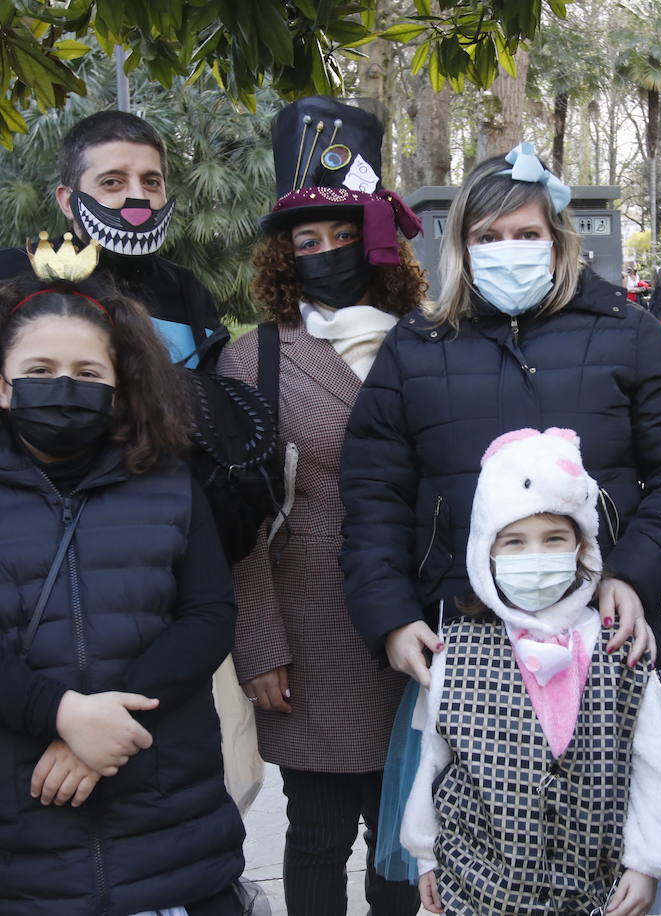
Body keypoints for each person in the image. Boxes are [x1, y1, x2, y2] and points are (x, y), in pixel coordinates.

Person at [0, 249, 246, 915]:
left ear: (120, 385)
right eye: (40, 371)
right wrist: (63, 715)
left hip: (167, 825)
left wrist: (105, 732)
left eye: (87, 372)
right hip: (13, 845)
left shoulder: (172, 487)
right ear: (2, 386)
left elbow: (208, 617)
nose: (64, 385)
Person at [339, 140, 661, 688]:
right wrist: (391, 616)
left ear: (557, 240)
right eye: (486, 238)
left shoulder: (627, 333)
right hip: (458, 631)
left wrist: (634, 574)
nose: (506, 249)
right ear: (462, 249)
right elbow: (374, 494)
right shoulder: (416, 347)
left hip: (603, 626)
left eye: (526, 234)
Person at [218, 96, 425, 916]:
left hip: (423, 624)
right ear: (283, 256)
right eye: (309, 241)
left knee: (406, 835)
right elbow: (240, 518)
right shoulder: (254, 359)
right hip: (309, 634)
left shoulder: (433, 337)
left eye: (346, 235)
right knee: (317, 834)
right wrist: (260, 642)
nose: (329, 253)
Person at [0, 110, 227, 551]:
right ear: (68, 200)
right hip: (10, 545)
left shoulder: (188, 295)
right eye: (112, 182)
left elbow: (205, 438)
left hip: (143, 549)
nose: (136, 198)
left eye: (151, 181)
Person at [400, 427, 661, 915]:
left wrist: (648, 864)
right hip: (476, 884)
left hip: (595, 886)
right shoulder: (456, 650)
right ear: (486, 552)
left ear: (582, 546)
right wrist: (425, 853)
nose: (535, 556)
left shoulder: (620, 646)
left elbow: (654, 763)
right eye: (514, 541)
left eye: (554, 538)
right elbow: (433, 757)